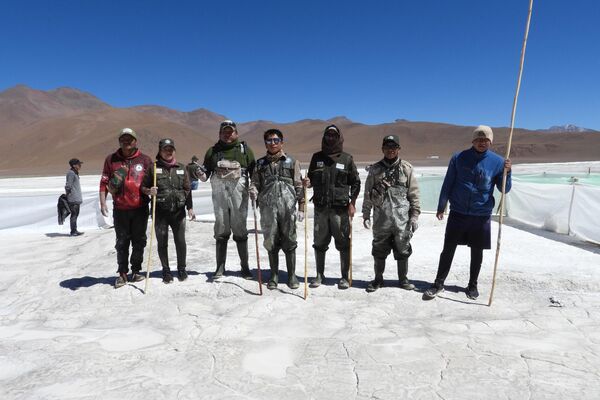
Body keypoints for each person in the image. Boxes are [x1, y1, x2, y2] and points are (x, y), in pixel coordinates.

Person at [424, 125, 512, 300]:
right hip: (458, 212)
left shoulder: (498, 162)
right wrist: (442, 205)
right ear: (473, 140)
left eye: (485, 140)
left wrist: (507, 173)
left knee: (477, 252)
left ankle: (472, 285)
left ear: (490, 142)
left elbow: (505, 189)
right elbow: (448, 182)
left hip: (481, 214)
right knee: (448, 249)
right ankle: (438, 283)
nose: (482, 143)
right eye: (478, 139)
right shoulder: (459, 158)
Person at [198, 120, 256, 280]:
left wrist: (254, 186)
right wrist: (201, 174)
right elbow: (205, 174)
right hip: (220, 196)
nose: (228, 134)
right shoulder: (213, 151)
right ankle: (220, 267)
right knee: (221, 228)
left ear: (236, 133)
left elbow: (255, 172)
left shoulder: (245, 151)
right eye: (225, 131)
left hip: (239, 196)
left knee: (240, 229)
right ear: (219, 134)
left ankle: (245, 268)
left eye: (230, 131)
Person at [362, 135, 420, 292]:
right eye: (387, 147)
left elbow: (414, 194)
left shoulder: (407, 169)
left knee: (403, 249)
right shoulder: (375, 170)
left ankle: (403, 279)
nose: (390, 150)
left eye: (393, 147)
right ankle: (378, 279)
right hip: (381, 220)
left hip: (402, 220)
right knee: (379, 250)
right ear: (382, 149)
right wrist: (366, 215)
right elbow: (368, 194)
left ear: (398, 149)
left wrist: (414, 215)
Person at [305, 124, 360, 289]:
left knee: (343, 242)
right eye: (327, 135)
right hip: (321, 209)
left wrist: (352, 203)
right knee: (319, 242)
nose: (330, 138)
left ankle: (344, 277)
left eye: (333, 135)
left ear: (339, 138)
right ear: (324, 137)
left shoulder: (346, 159)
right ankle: (319, 275)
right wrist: (307, 183)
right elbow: (310, 179)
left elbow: (355, 183)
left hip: (340, 209)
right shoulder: (317, 158)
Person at [249, 128, 305, 290]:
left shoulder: (292, 162)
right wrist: (253, 189)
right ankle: (273, 275)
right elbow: (255, 183)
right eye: (269, 141)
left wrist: (301, 206)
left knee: (290, 240)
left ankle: (292, 275)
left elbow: (298, 185)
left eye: (275, 140)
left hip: (288, 209)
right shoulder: (260, 164)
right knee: (270, 241)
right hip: (268, 209)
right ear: (265, 143)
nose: (272, 143)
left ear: (281, 142)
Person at [99, 128, 153, 288]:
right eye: (123, 139)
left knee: (139, 240)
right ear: (119, 141)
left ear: (135, 141)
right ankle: (122, 273)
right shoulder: (111, 160)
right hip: (120, 208)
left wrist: (152, 191)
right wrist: (103, 202)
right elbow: (104, 182)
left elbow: (151, 181)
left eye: (129, 139)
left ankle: (136, 271)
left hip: (140, 207)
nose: (126, 141)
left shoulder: (145, 160)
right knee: (122, 241)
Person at [143, 138, 195, 283]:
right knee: (162, 242)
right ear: (160, 151)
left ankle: (182, 269)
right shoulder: (152, 168)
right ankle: (166, 271)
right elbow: (143, 187)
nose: (168, 152)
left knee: (180, 241)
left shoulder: (181, 168)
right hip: (160, 212)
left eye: (171, 149)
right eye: (165, 149)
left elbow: (187, 189)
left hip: (178, 212)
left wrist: (189, 207)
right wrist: (149, 191)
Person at [65, 158, 84, 236]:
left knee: (75, 215)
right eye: (78, 164)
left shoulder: (75, 173)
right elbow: (68, 186)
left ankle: (74, 230)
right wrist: (69, 195)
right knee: (74, 215)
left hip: (76, 198)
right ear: (74, 165)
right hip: (73, 198)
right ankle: (73, 231)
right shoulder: (71, 173)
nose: (80, 166)